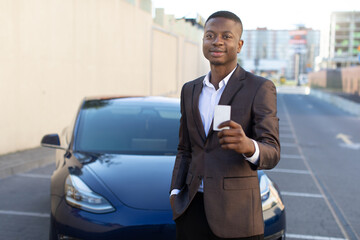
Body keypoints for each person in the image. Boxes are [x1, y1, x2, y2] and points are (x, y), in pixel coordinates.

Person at [169, 11, 280, 240]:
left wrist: (248, 146)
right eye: (210, 35)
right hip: (190, 209)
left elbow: (273, 152)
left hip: (236, 216)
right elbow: (184, 149)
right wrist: (175, 191)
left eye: (226, 36)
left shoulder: (259, 88)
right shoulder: (190, 90)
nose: (217, 41)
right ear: (203, 42)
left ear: (239, 45)